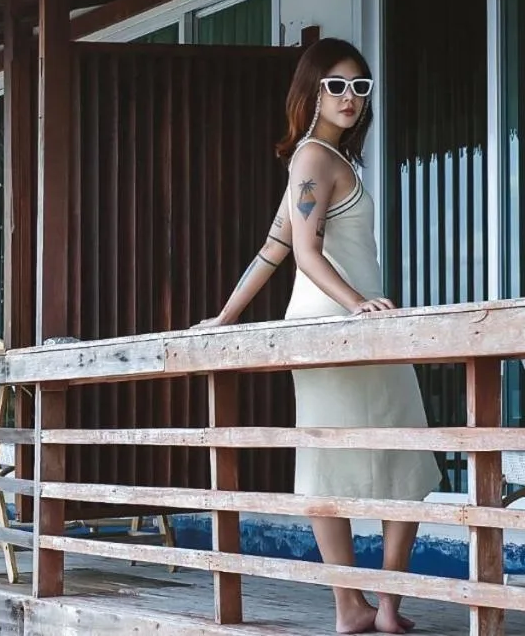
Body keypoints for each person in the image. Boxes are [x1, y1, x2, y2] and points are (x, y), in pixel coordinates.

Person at [202, 38, 438, 635]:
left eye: (360, 86)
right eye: (336, 85)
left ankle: (374, 604)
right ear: (310, 90)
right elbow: (303, 253)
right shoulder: (312, 159)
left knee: (397, 457)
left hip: (353, 325)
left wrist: (226, 316)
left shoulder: (327, 160)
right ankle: (358, 605)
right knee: (359, 461)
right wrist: (358, 304)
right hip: (341, 325)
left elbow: (272, 249)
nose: (350, 96)